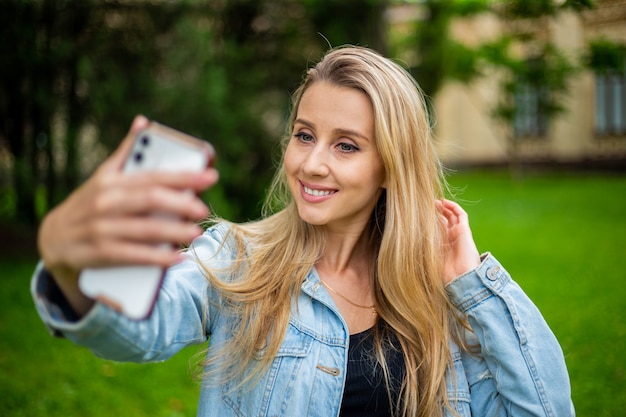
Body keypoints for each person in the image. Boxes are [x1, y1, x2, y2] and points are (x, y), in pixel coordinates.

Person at [31, 46, 574, 417]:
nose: (312, 163)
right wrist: (70, 267)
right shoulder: (238, 259)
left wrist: (474, 286)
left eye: (346, 145)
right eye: (304, 135)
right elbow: (137, 329)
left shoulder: (442, 297)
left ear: (390, 166)